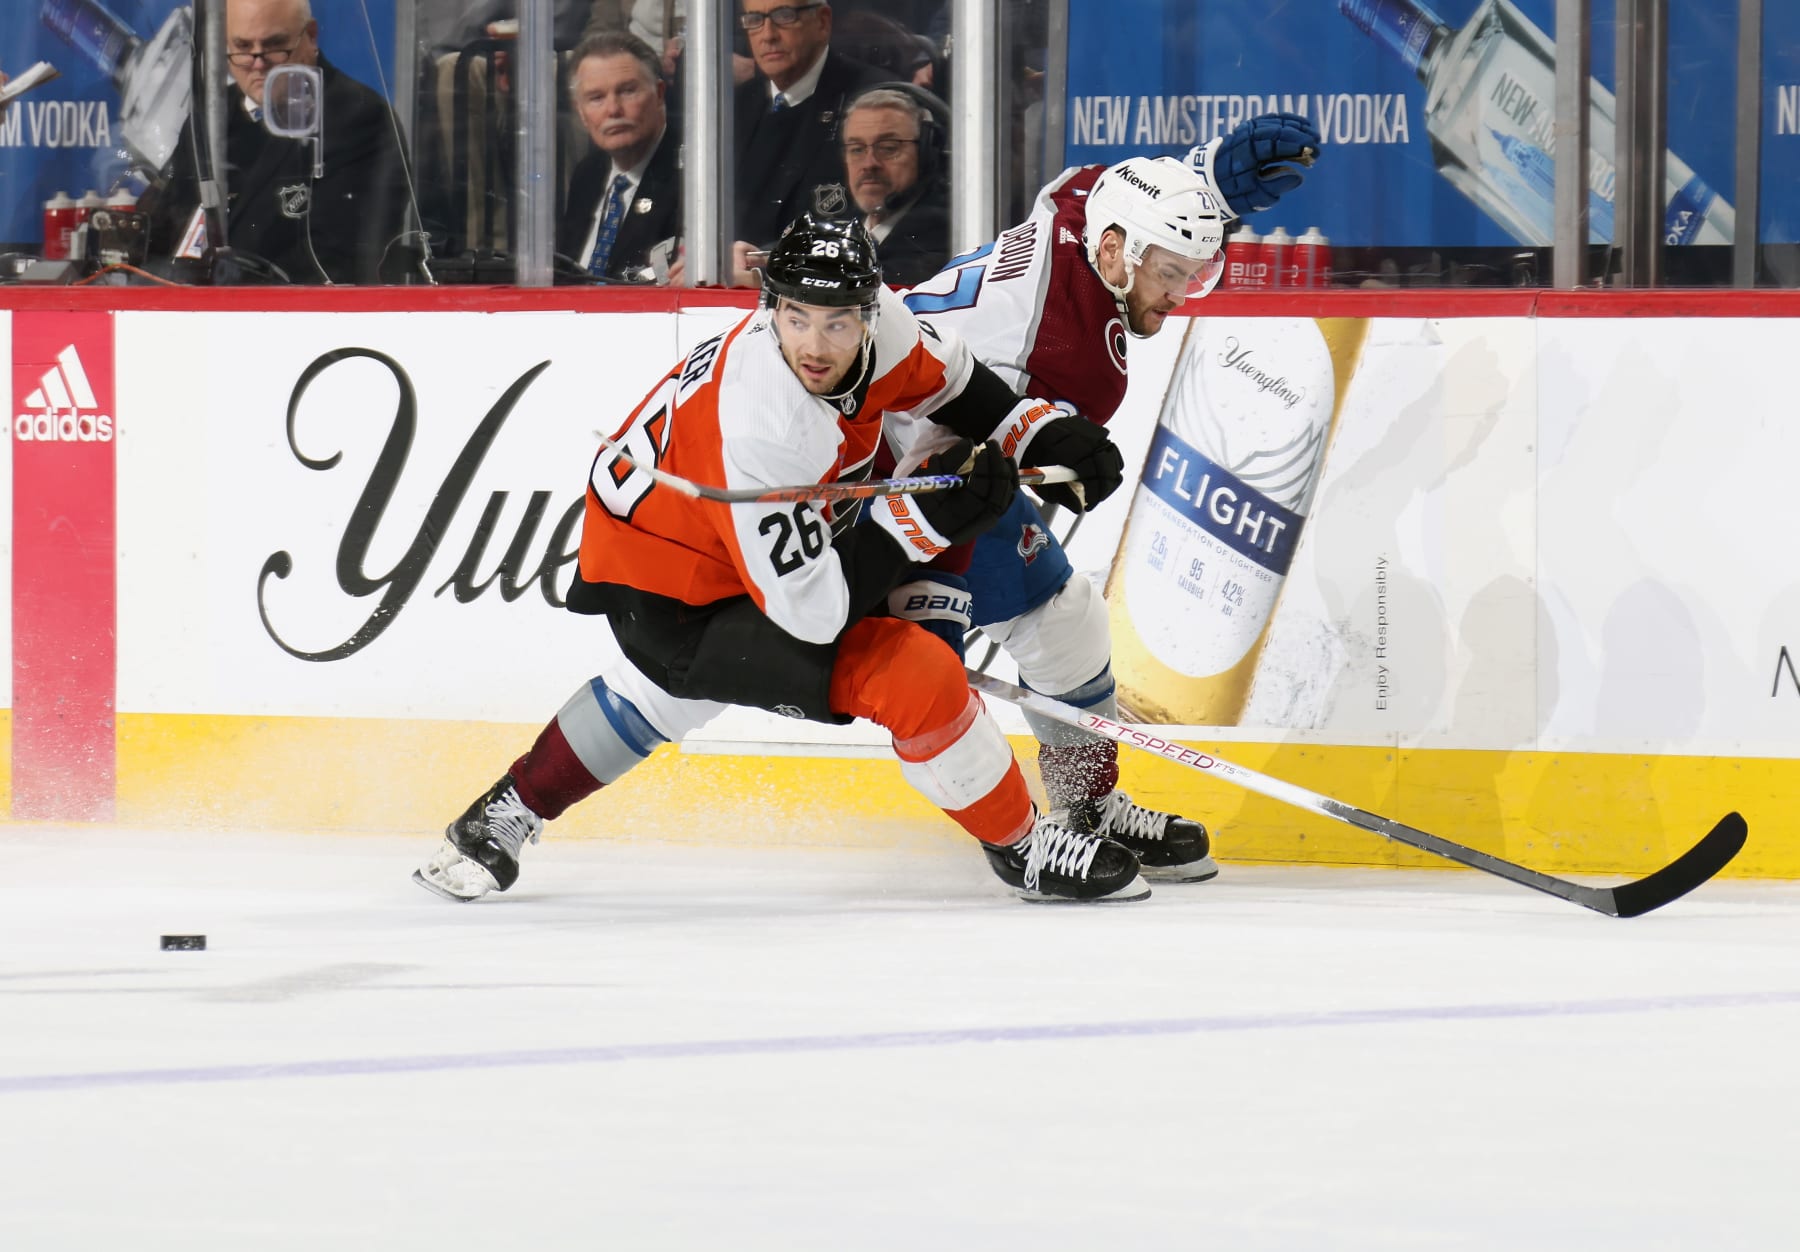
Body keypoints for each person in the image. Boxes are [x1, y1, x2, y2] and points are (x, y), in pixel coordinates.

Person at [414, 215, 1147, 905]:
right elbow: (814, 615)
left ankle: (500, 814)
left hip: (710, 534)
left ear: (869, 310)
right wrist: (931, 516)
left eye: (835, 321)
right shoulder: (761, 423)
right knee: (910, 675)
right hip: (668, 588)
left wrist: (1043, 433)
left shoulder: (881, 324)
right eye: (795, 318)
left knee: (664, 694)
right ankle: (1025, 850)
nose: (816, 345)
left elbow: (956, 384)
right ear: (769, 310)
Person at [899, 112, 1323, 883]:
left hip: (952, 461)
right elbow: (945, 426)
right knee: (917, 671)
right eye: (1171, 275)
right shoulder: (1054, 349)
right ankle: (1022, 846)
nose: (1179, 297)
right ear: (1116, 251)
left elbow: (1093, 183)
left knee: (1064, 622)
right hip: (885, 479)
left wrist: (1210, 179)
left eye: (1192, 275)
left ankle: (1086, 811)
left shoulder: (1081, 210)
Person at [142, 0, 410, 284]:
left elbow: (338, 263)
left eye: (274, 46)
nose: (258, 64)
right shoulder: (210, 119)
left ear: (311, 36)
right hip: (183, 312)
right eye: (243, 47)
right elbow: (166, 225)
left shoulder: (360, 119)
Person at [732, 0, 882, 250]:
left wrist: (761, 263)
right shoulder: (732, 108)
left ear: (822, 22)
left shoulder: (872, 102)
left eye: (784, 16)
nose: (768, 35)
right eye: (755, 20)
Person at [556, 31, 680, 283]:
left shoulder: (688, 174)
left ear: (659, 93)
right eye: (596, 98)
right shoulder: (587, 174)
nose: (613, 109)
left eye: (627, 91)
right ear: (581, 112)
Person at [841, 85, 949, 287]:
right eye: (857, 149)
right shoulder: (844, 224)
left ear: (927, 152)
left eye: (888, 148)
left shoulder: (943, 237)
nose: (869, 163)